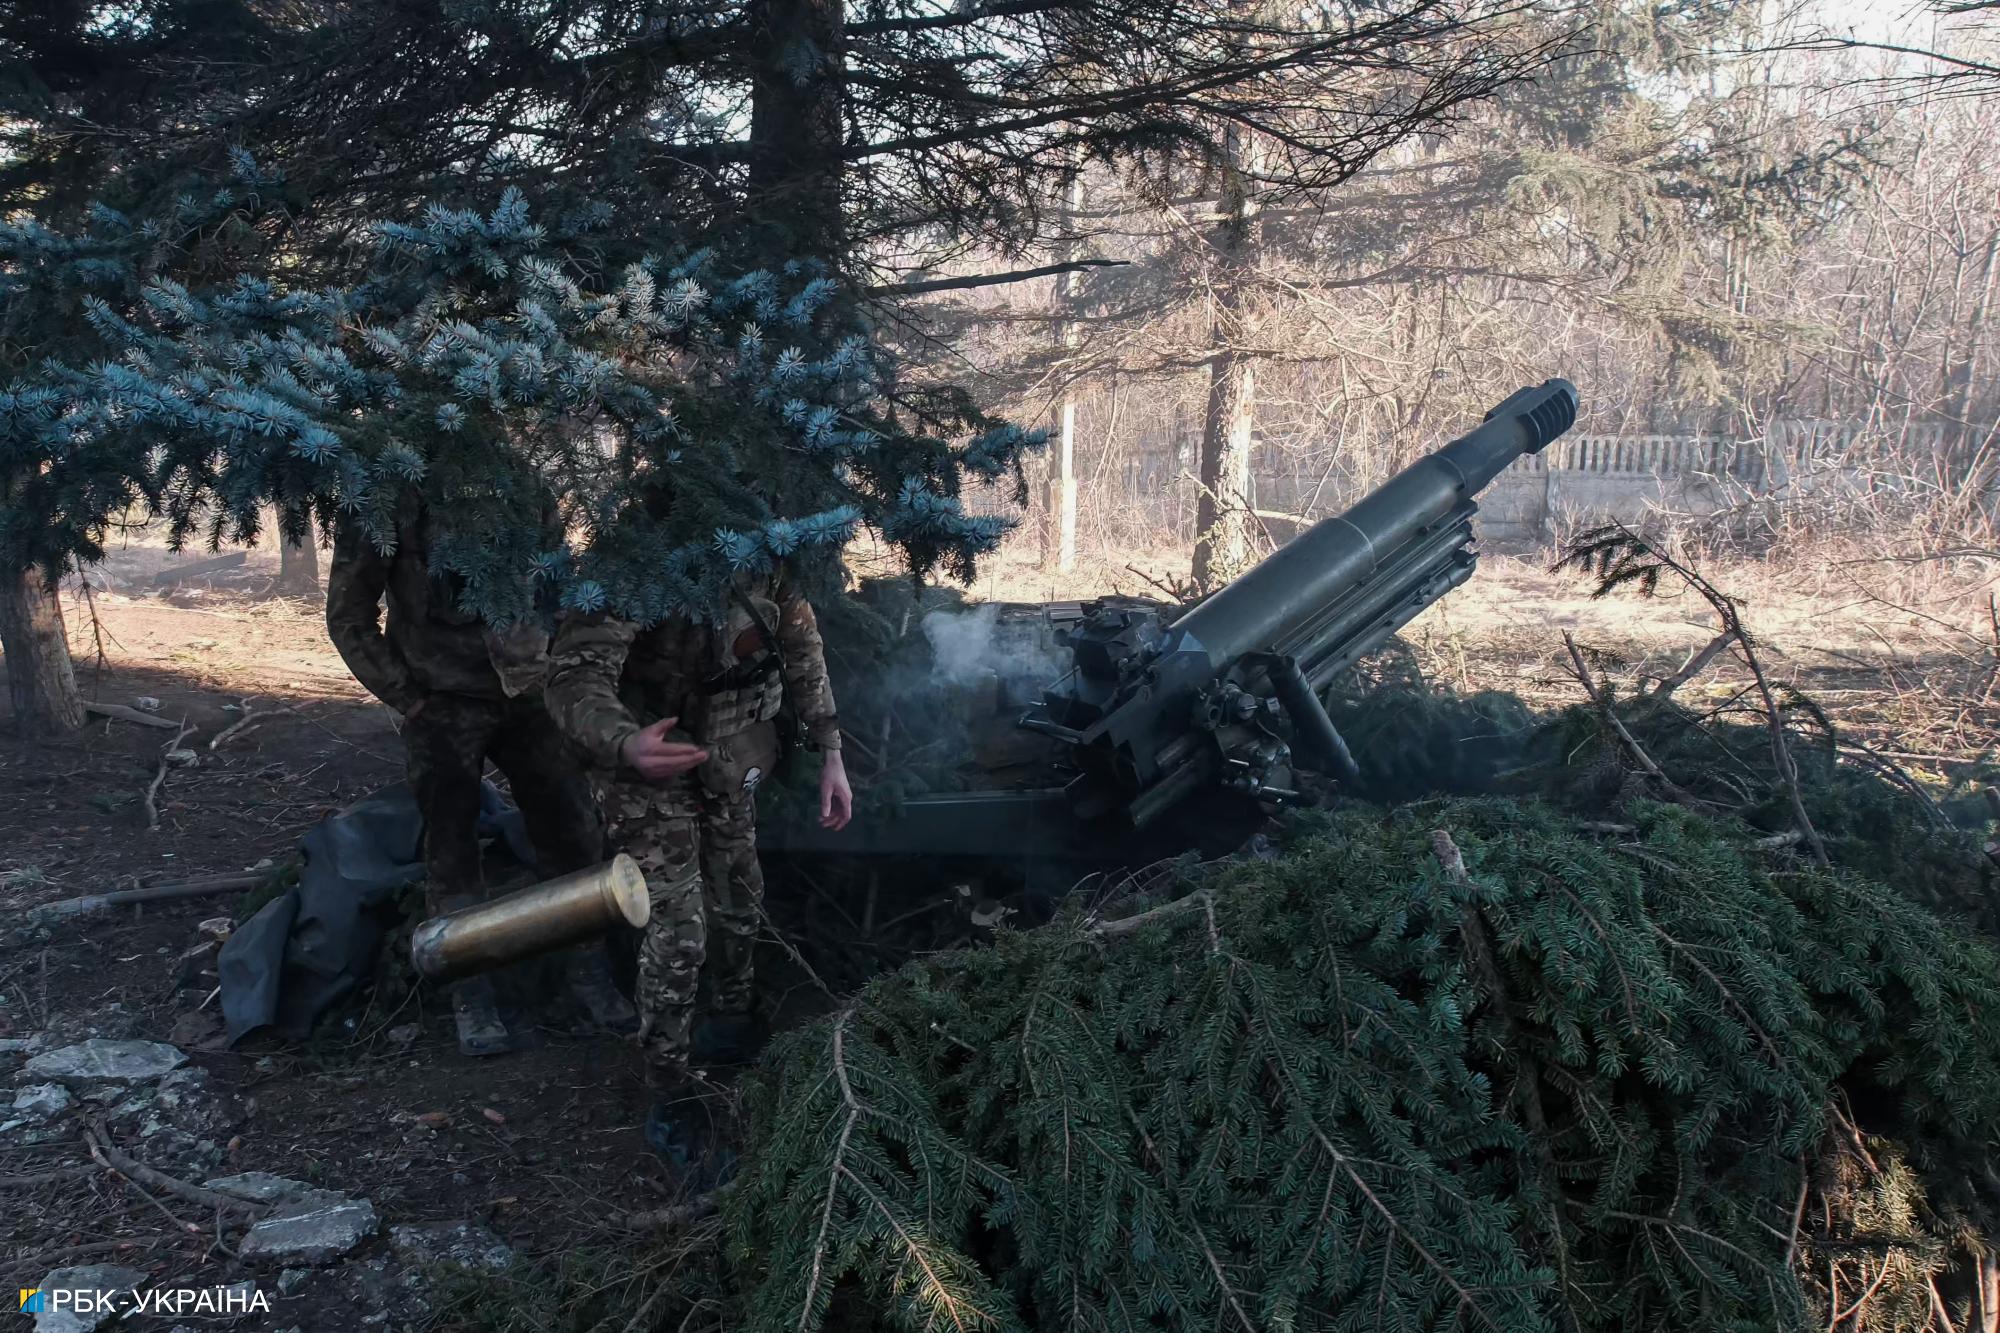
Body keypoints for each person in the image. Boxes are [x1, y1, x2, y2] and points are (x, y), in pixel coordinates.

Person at [325, 492, 677, 1055]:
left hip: (531, 696)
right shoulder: (391, 499)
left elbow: (557, 587)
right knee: (452, 850)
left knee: (572, 833)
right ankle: (471, 991)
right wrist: (408, 697)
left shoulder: (520, 486)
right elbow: (348, 616)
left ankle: (586, 974)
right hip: (441, 705)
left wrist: (559, 668)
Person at [544, 563, 851, 1153]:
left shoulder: (770, 552)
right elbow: (574, 676)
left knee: (740, 900)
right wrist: (623, 741)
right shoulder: (641, 554)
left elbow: (802, 647)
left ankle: (732, 1026)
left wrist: (830, 752)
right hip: (647, 773)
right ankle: (670, 1087)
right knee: (678, 932)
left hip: (729, 758)